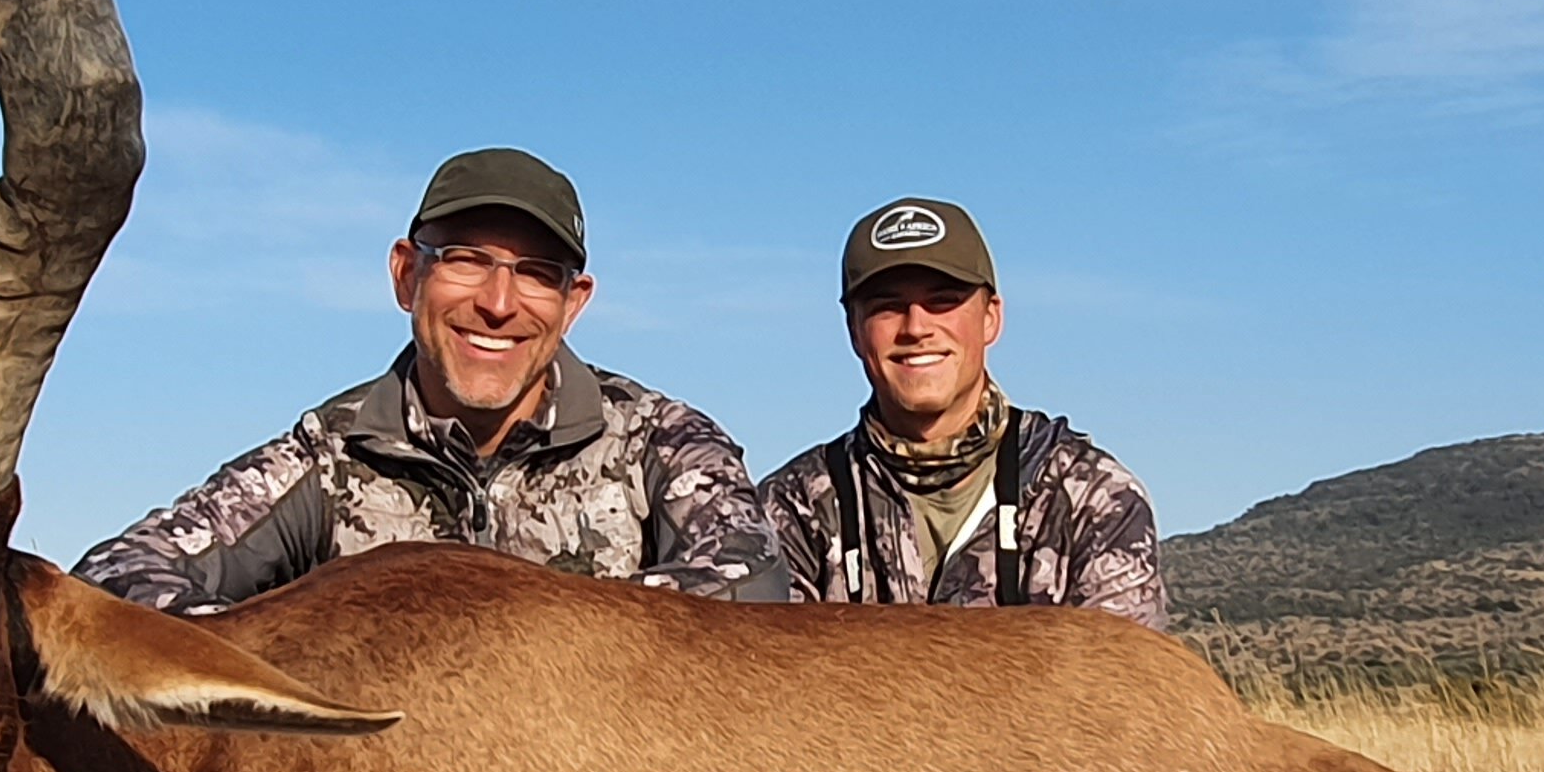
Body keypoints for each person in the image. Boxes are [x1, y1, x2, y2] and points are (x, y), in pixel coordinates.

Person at [76, 147, 786, 612]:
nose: (499, 304)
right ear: (406, 274)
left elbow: (751, 579)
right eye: (466, 260)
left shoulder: (660, 439)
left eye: (537, 274)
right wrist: (318, 646)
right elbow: (114, 578)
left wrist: (488, 626)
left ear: (574, 304)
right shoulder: (334, 453)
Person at [760, 197, 1164, 627]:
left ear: (991, 317)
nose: (916, 327)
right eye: (887, 307)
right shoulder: (794, 509)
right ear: (855, 331)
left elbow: (1121, 681)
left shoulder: (1091, 497)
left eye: (943, 301)